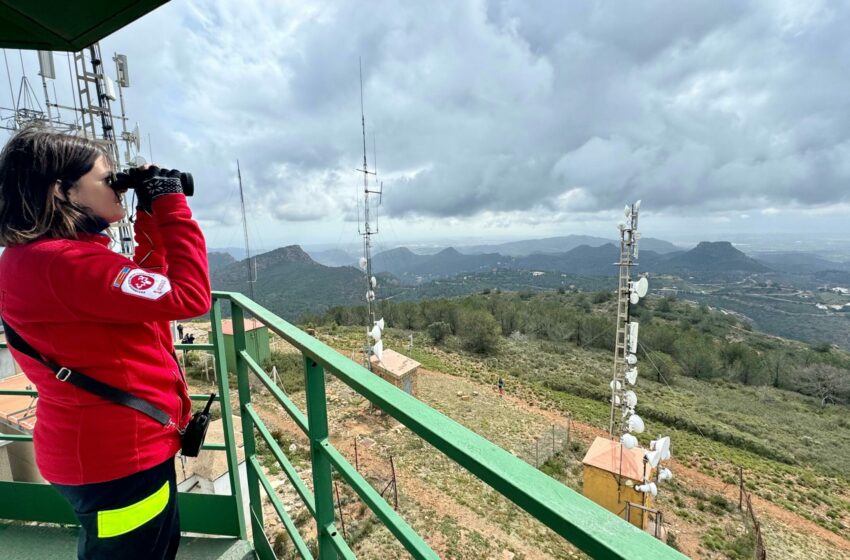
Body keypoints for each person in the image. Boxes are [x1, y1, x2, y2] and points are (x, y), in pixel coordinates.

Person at [0, 126, 210, 560]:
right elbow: (190, 296)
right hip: (120, 459)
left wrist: (148, 216)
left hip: (104, 450)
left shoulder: (43, 259)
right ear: (64, 191)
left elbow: (143, 293)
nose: (117, 185)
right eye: (107, 178)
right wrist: (172, 206)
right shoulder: (64, 263)